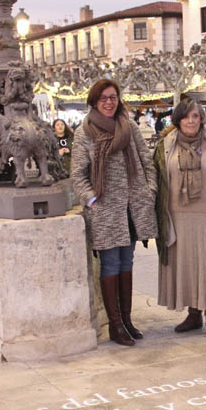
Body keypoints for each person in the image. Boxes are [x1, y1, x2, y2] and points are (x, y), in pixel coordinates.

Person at [71, 79, 158, 346]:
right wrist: (93, 200)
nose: (109, 102)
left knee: (127, 262)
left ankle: (128, 320)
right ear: (94, 102)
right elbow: (77, 175)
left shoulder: (129, 127)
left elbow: (147, 161)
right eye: (103, 99)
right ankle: (115, 325)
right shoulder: (84, 132)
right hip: (106, 211)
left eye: (113, 97)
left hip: (132, 207)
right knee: (110, 264)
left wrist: (149, 189)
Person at [153, 97, 206, 339]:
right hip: (176, 216)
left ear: (202, 119)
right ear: (178, 119)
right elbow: (156, 180)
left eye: (196, 116)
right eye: (187, 116)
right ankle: (193, 314)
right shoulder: (165, 146)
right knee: (186, 265)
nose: (191, 120)